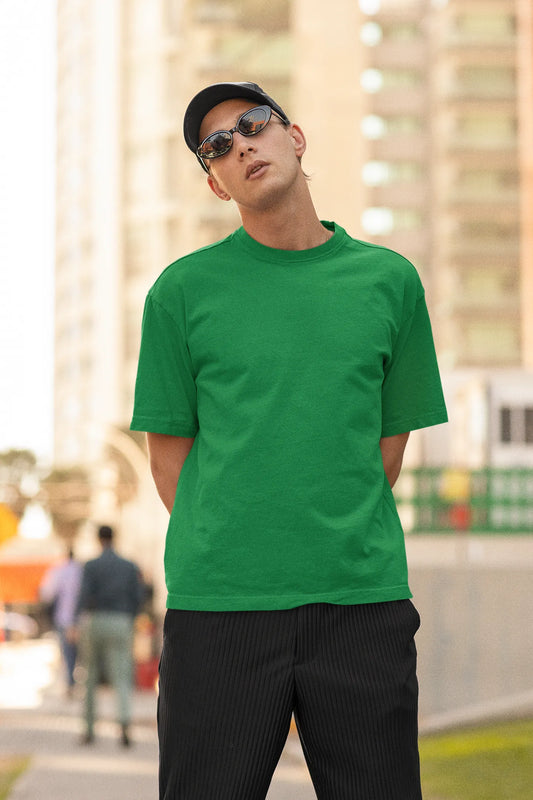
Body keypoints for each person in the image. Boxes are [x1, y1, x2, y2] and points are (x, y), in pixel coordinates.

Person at [131, 81, 448, 800]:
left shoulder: (389, 281)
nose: (240, 145)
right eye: (217, 146)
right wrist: (239, 542)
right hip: (220, 610)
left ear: (294, 137)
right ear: (216, 184)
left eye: (253, 124)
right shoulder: (181, 292)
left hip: (359, 602)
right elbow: (168, 459)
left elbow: (387, 446)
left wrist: (326, 531)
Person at [76, 524, 144, 746]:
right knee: (122, 675)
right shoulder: (129, 566)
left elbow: (83, 595)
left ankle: (89, 729)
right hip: (121, 621)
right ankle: (124, 725)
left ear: (98, 539)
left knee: (90, 675)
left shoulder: (91, 566)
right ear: (115, 538)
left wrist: (76, 622)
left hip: (96, 620)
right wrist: (130, 617)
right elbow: (138, 596)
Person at [40, 548, 82, 695]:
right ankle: (73, 681)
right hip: (81, 618)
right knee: (79, 653)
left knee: (67, 652)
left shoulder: (58, 571)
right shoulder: (81, 571)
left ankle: (70, 682)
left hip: (64, 617)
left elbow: (47, 593)